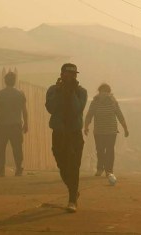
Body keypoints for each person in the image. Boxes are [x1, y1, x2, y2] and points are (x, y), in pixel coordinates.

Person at [45, 63, 88, 213]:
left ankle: (72, 199)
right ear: (62, 75)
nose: (71, 77)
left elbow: (77, 110)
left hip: (74, 133)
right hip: (59, 133)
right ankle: (73, 190)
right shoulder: (53, 90)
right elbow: (51, 108)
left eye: (74, 75)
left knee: (74, 166)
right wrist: (60, 92)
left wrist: (71, 93)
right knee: (62, 165)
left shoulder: (81, 92)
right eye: (68, 75)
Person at [83, 83, 129, 178]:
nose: (103, 94)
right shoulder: (95, 102)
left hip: (111, 131)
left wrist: (125, 128)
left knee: (109, 150)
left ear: (109, 93)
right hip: (99, 131)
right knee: (100, 150)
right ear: (99, 92)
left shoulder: (113, 102)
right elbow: (89, 115)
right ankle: (100, 168)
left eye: (105, 92)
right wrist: (86, 126)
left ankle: (109, 170)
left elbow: (120, 115)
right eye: (102, 92)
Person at [0, 71, 28, 177]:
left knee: (0, 148)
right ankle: (19, 168)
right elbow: (24, 110)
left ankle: (1, 170)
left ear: (5, 81)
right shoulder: (20, 94)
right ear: (14, 81)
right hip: (15, 125)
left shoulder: (0, 94)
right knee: (17, 148)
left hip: (2, 125)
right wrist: (26, 123)